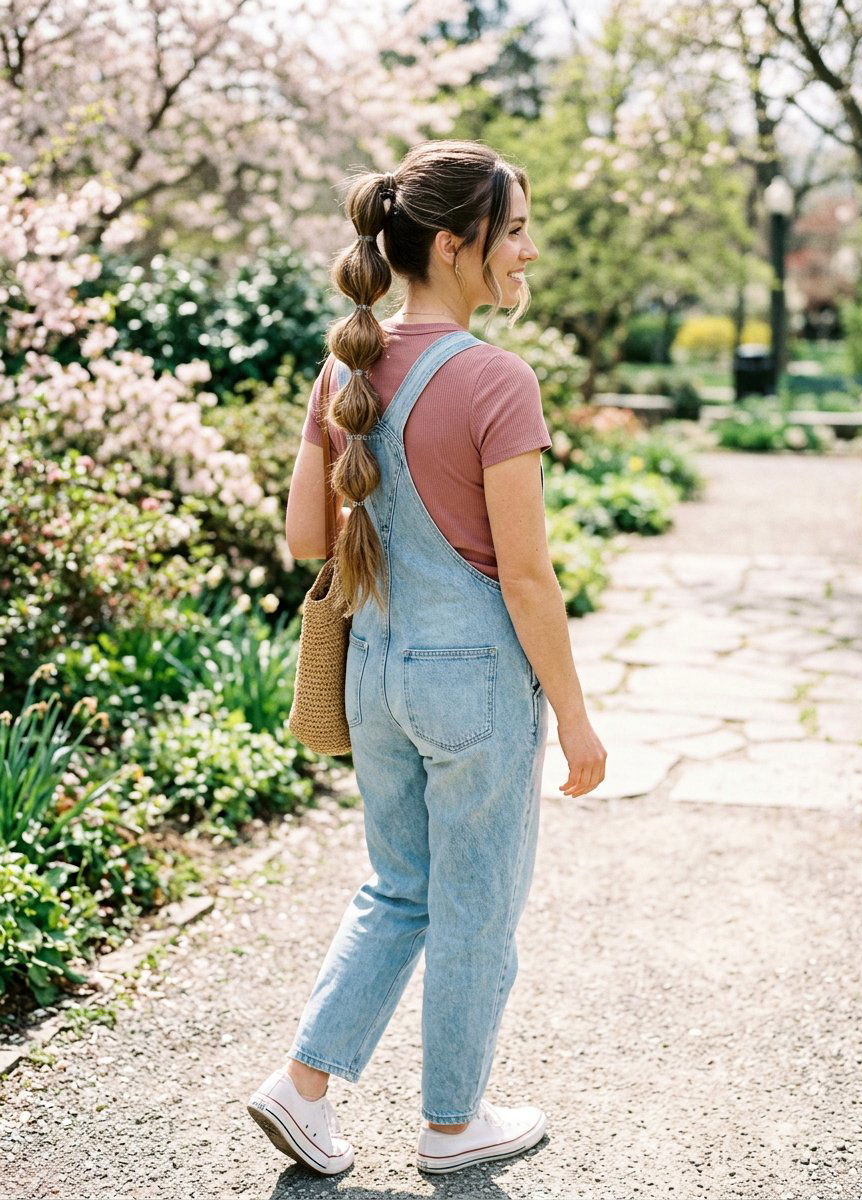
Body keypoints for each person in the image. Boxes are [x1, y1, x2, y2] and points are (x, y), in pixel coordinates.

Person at [247, 139, 607, 1176]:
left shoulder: (345, 365)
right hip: (471, 683)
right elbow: (527, 579)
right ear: (455, 244)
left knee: (399, 887)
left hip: (374, 671)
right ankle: (452, 1124)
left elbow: (307, 542)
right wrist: (576, 720)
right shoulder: (495, 380)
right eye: (516, 230)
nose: (527, 252)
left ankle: (303, 1087)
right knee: (475, 902)